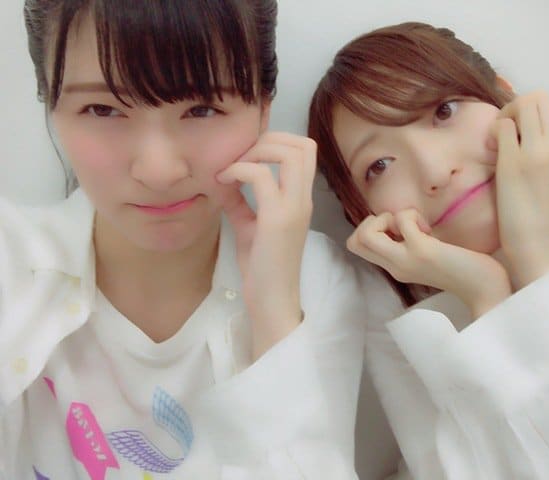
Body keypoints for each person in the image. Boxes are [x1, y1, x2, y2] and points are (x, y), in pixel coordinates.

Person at [0, 1, 393, 478]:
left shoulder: (310, 283)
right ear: (51, 106)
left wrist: (274, 317)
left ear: (263, 108)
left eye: (202, 108)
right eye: (102, 109)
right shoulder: (10, 262)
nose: (159, 171)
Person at [308, 21, 549, 479]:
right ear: (360, 211)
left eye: (443, 111)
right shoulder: (399, 322)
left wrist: (539, 258)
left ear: (505, 98)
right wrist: (486, 293)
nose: (435, 170)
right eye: (380, 165)